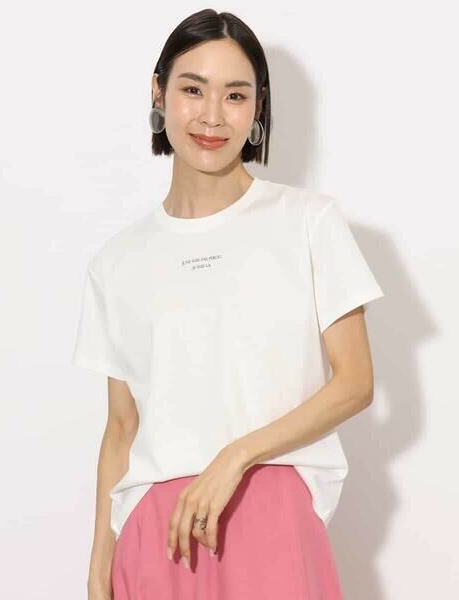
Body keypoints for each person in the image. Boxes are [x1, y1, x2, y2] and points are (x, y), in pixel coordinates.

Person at [72, 8, 385, 600]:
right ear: (159, 92)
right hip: (152, 534)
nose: (213, 115)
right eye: (193, 89)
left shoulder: (307, 222)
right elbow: (121, 427)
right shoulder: (116, 262)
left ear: (258, 107)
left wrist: (234, 458)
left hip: (270, 514)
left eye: (236, 95)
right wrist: (98, 570)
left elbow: (355, 382)